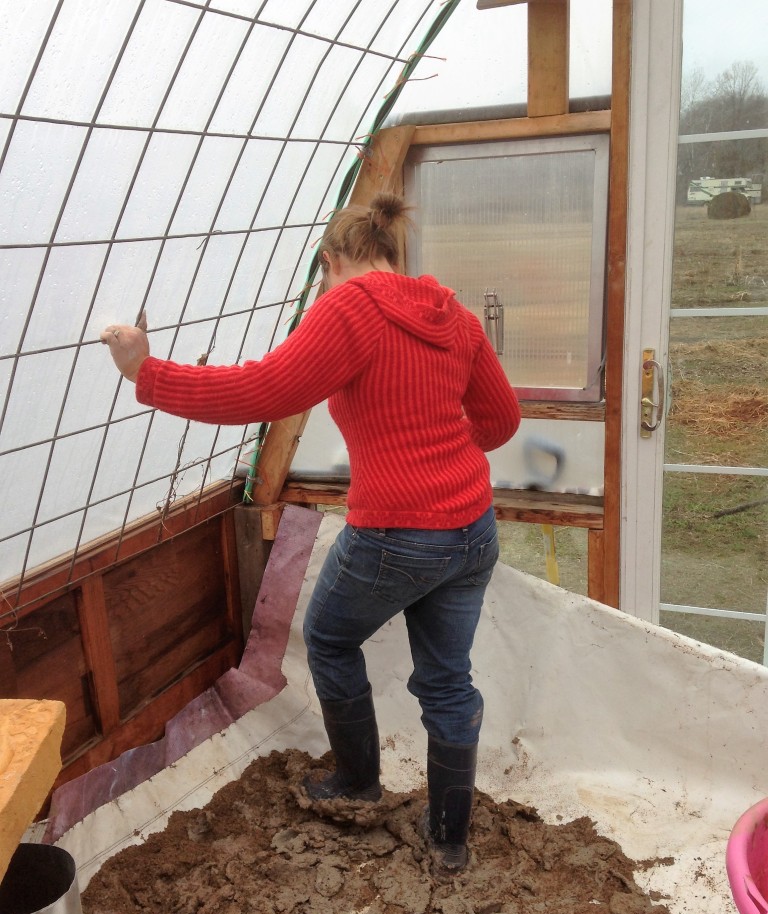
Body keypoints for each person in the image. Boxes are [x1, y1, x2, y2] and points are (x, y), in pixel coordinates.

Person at [101, 192, 521, 875]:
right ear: (393, 251)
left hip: (396, 529)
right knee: (448, 683)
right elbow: (500, 423)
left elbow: (262, 392)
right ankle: (449, 839)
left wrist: (146, 374)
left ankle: (357, 781)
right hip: (471, 528)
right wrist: (441, 457)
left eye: (323, 274)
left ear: (331, 261)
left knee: (328, 637)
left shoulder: (348, 307)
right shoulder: (454, 316)